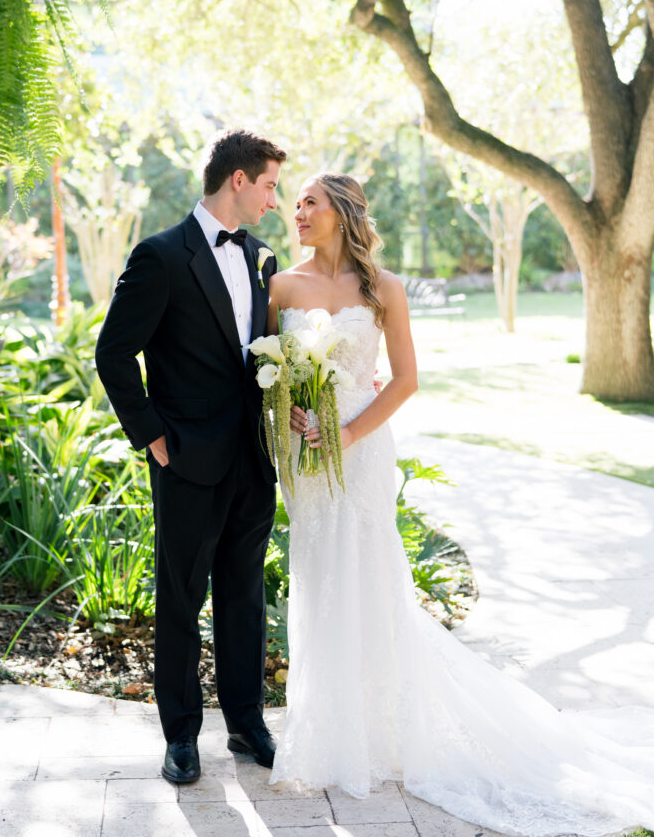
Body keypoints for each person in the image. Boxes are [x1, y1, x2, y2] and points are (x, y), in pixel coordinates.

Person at [265, 172, 654, 835]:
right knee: (320, 575)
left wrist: (347, 433)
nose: (297, 211)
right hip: (306, 457)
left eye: (310, 202)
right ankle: (328, 729)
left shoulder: (383, 288)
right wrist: (299, 418)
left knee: (370, 575)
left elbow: (407, 379)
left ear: (343, 212)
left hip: (361, 451)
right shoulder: (281, 287)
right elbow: (273, 375)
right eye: (295, 202)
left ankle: (381, 729)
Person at [95, 128, 286, 785]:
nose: (273, 200)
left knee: (245, 594)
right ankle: (180, 735)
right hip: (185, 459)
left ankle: (247, 724)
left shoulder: (264, 257)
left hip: (252, 460)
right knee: (180, 597)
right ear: (238, 180)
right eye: (268, 186)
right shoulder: (160, 257)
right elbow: (113, 353)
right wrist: (152, 437)